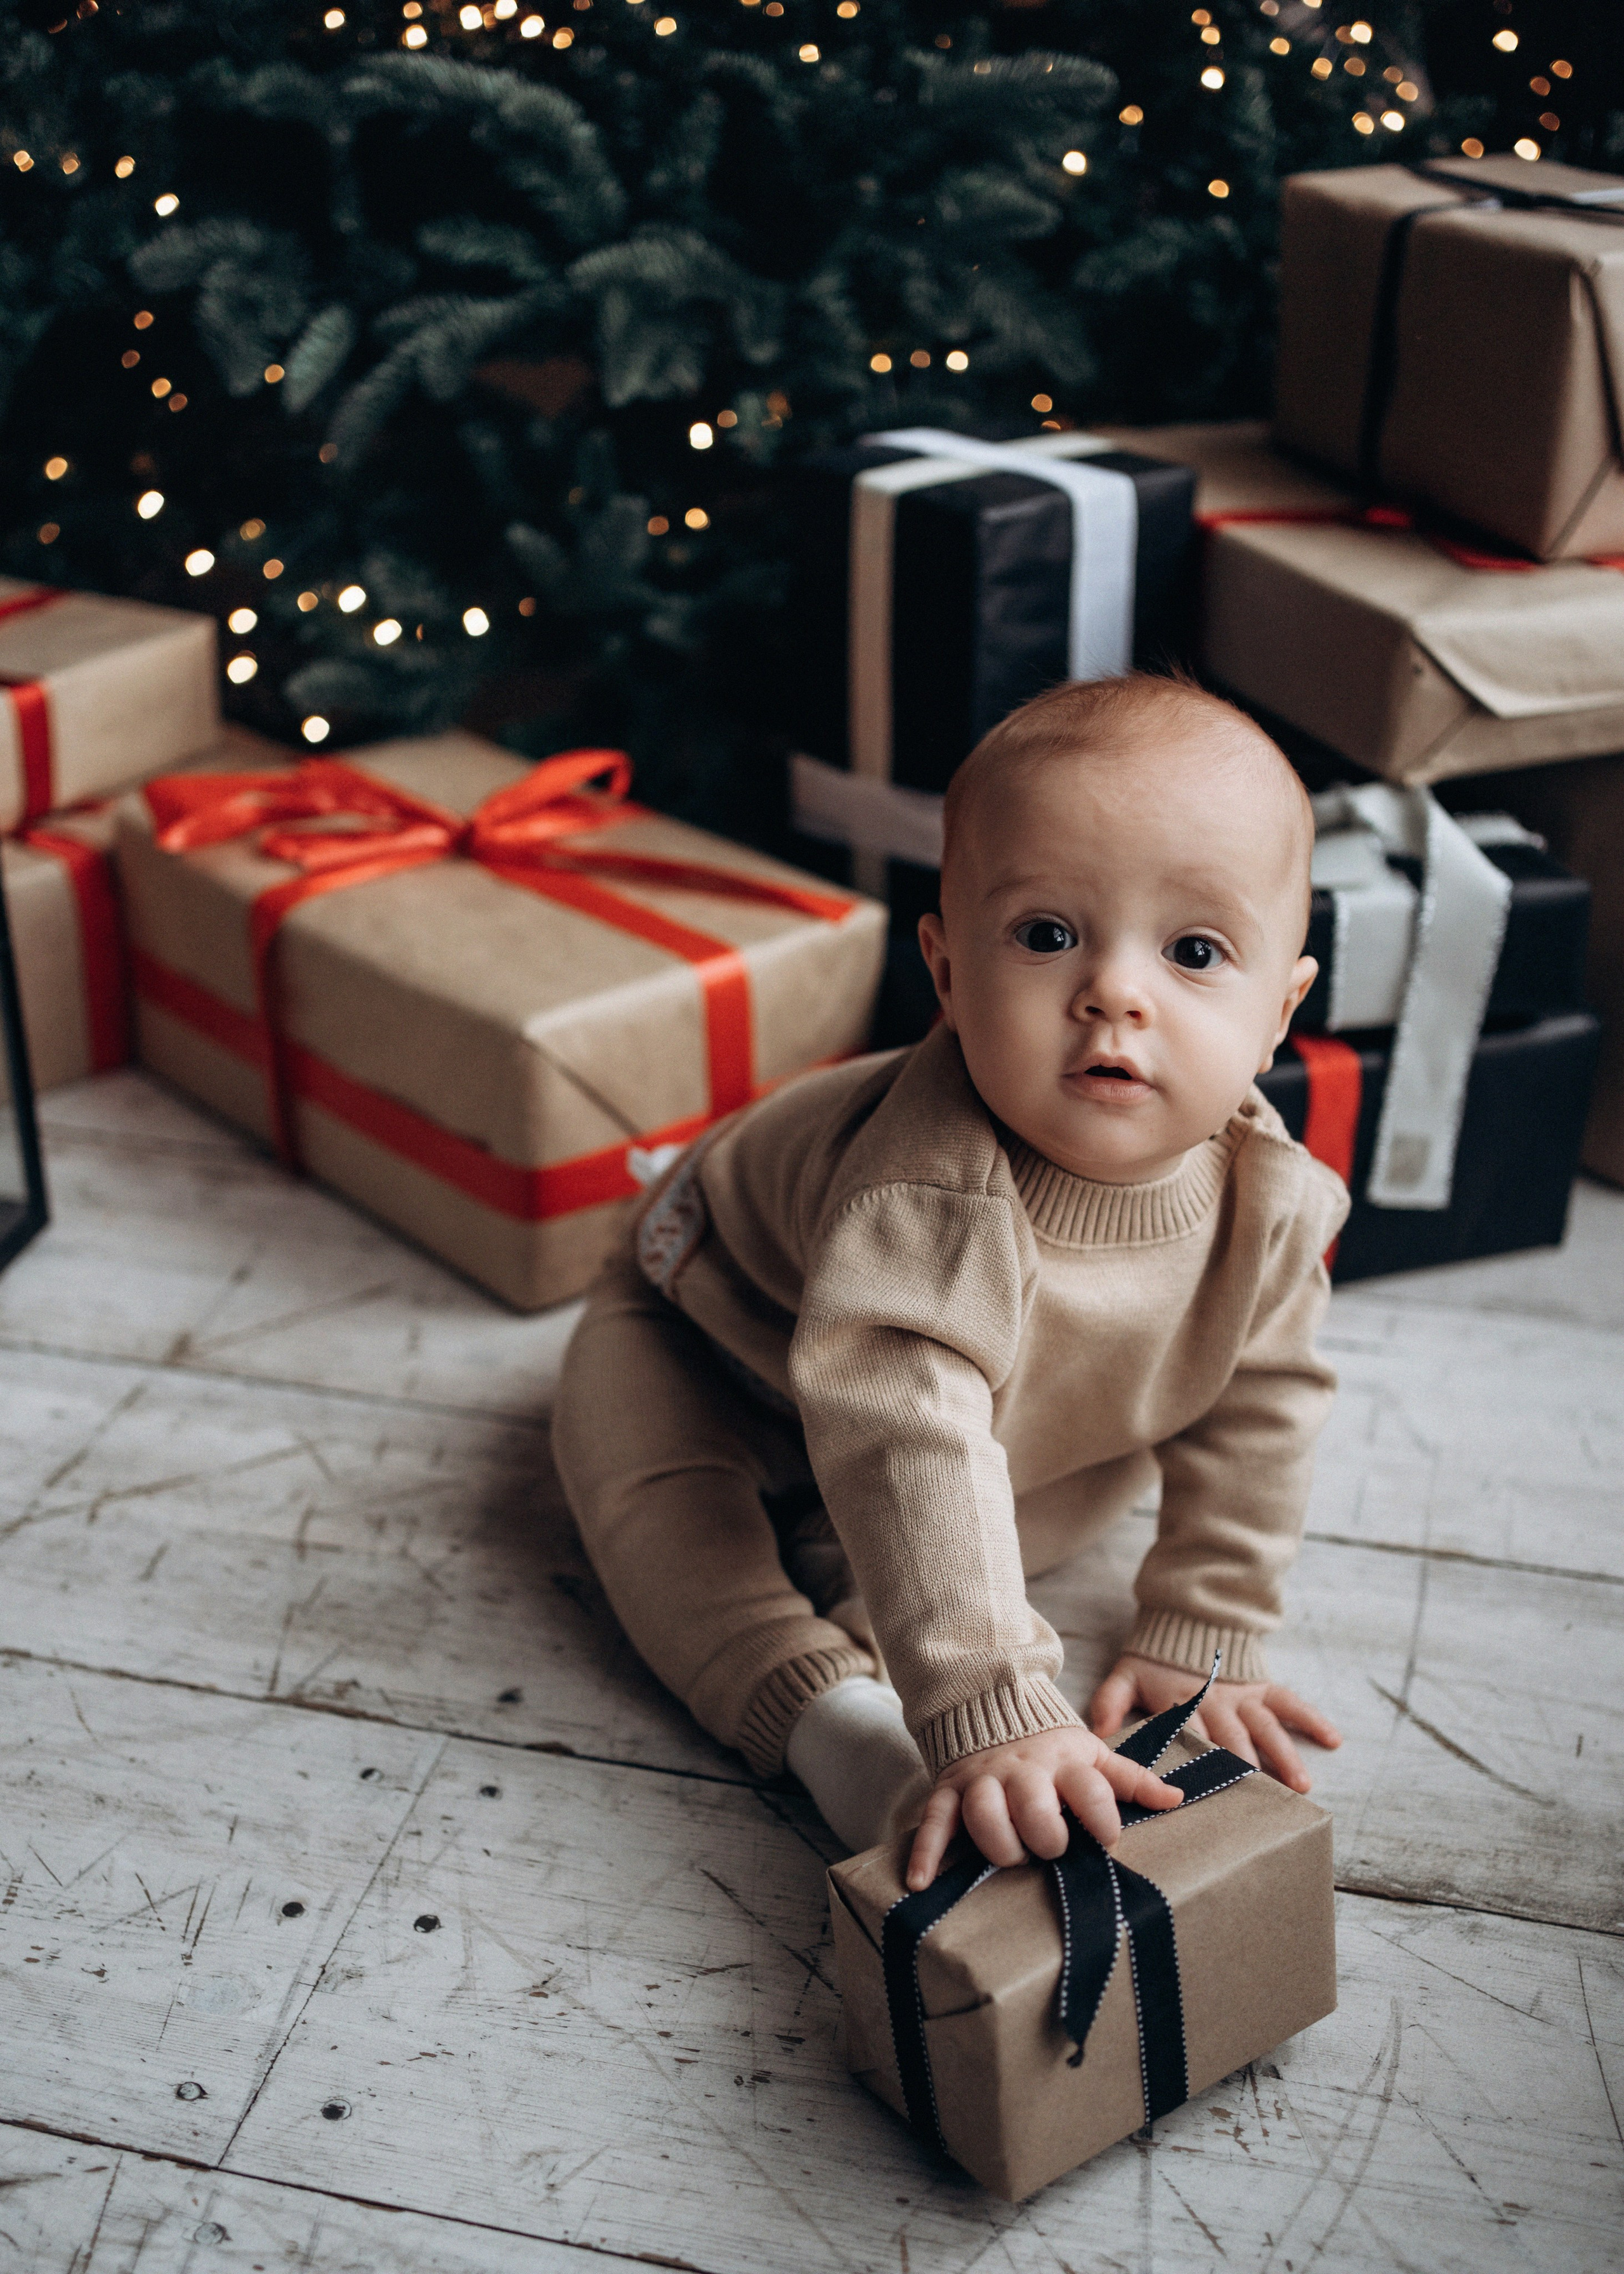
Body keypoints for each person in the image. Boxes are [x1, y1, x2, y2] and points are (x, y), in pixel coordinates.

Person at [553, 673, 1346, 1892]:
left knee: (1067, 1484)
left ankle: (867, 1600)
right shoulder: (928, 1190)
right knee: (652, 1503)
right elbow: (905, 1428)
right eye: (1045, 935)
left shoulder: (1272, 1204)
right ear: (947, 968)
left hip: (1000, 1411)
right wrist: (996, 1701)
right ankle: (826, 1719)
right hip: (707, 1333)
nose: (1113, 993)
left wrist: (1205, 1621)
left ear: (1281, 1009)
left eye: (1195, 952)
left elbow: (1265, 1400)